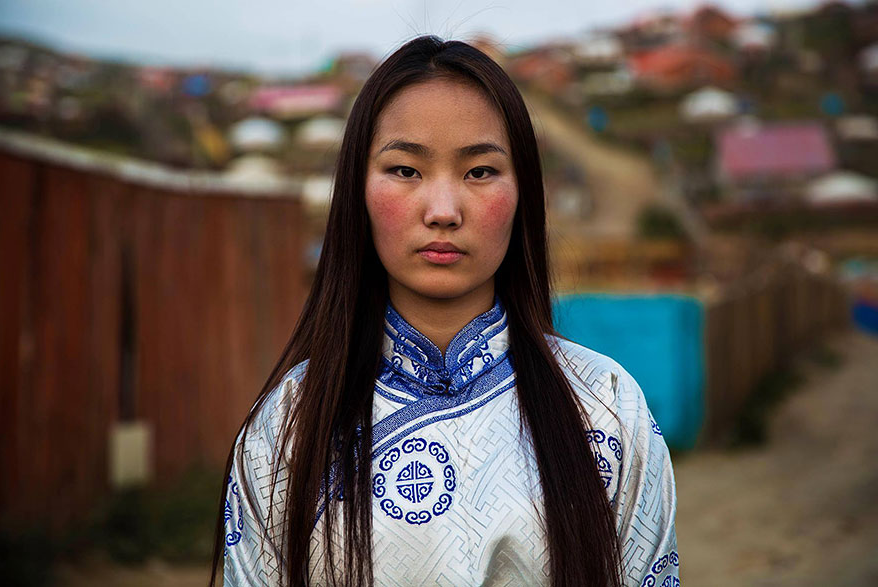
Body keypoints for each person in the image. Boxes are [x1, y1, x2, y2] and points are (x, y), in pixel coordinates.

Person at [211, 35, 677, 587]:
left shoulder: (605, 409)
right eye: (405, 170)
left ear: (523, 192)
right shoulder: (286, 429)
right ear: (357, 189)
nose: (443, 211)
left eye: (479, 171)